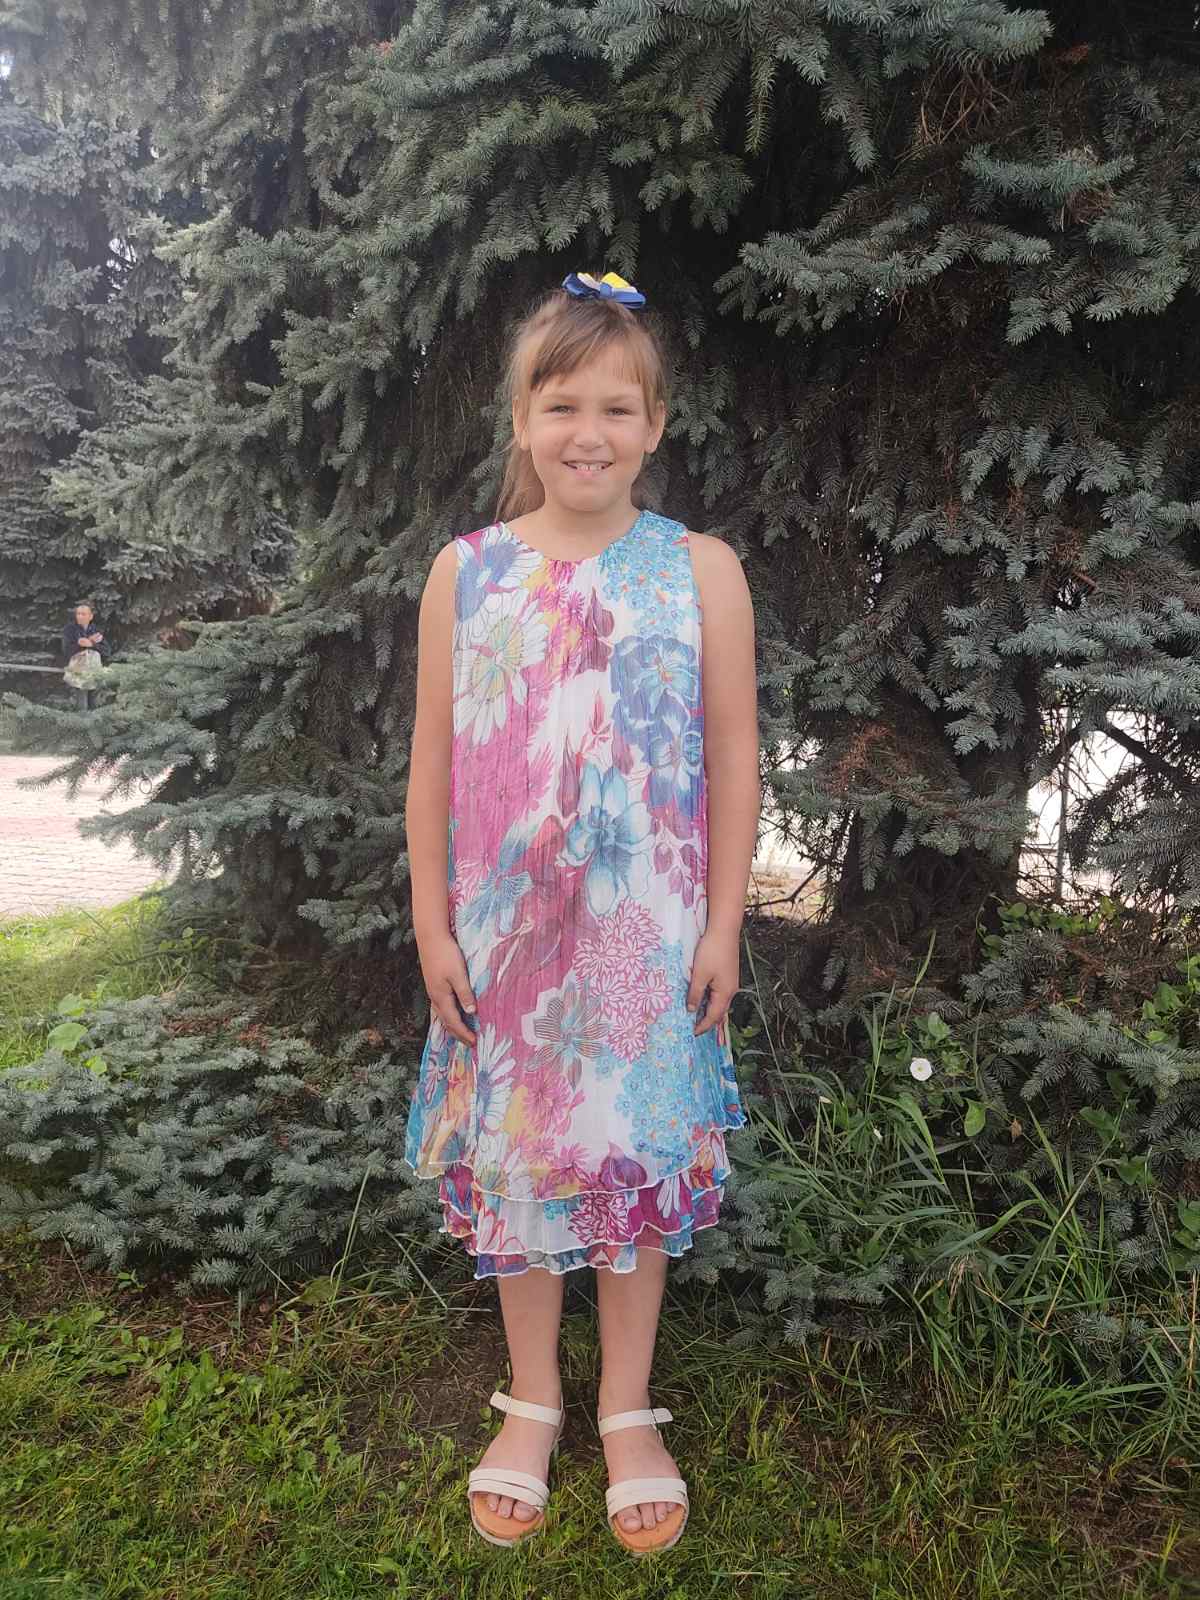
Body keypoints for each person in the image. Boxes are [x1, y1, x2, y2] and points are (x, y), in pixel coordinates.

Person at [403, 270, 760, 1556]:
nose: (588, 433)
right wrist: (433, 924)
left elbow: (735, 758)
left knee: (627, 1162)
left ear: (655, 424)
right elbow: (433, 765)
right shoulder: (466, 573)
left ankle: (624, 1405)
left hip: (643, 941)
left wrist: (722, 925)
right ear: (522, 419)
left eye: (617, 407)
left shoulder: (701, 571)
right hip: (504, 942)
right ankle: (532, 1397)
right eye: (561, 406)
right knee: (520, 1163)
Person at [61, 601, 110, 711]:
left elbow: (106, 651)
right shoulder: (70, 629)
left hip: (94, 671)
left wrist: (91, 644)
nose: (80, 616)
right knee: (82, 702)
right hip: (78, 672)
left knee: (94, 702)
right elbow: (66, 651)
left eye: (83, 614)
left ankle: (93, 719)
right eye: (78, 614)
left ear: (90, 616)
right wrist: (80, 645)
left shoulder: (95, 630)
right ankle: (81, 719)